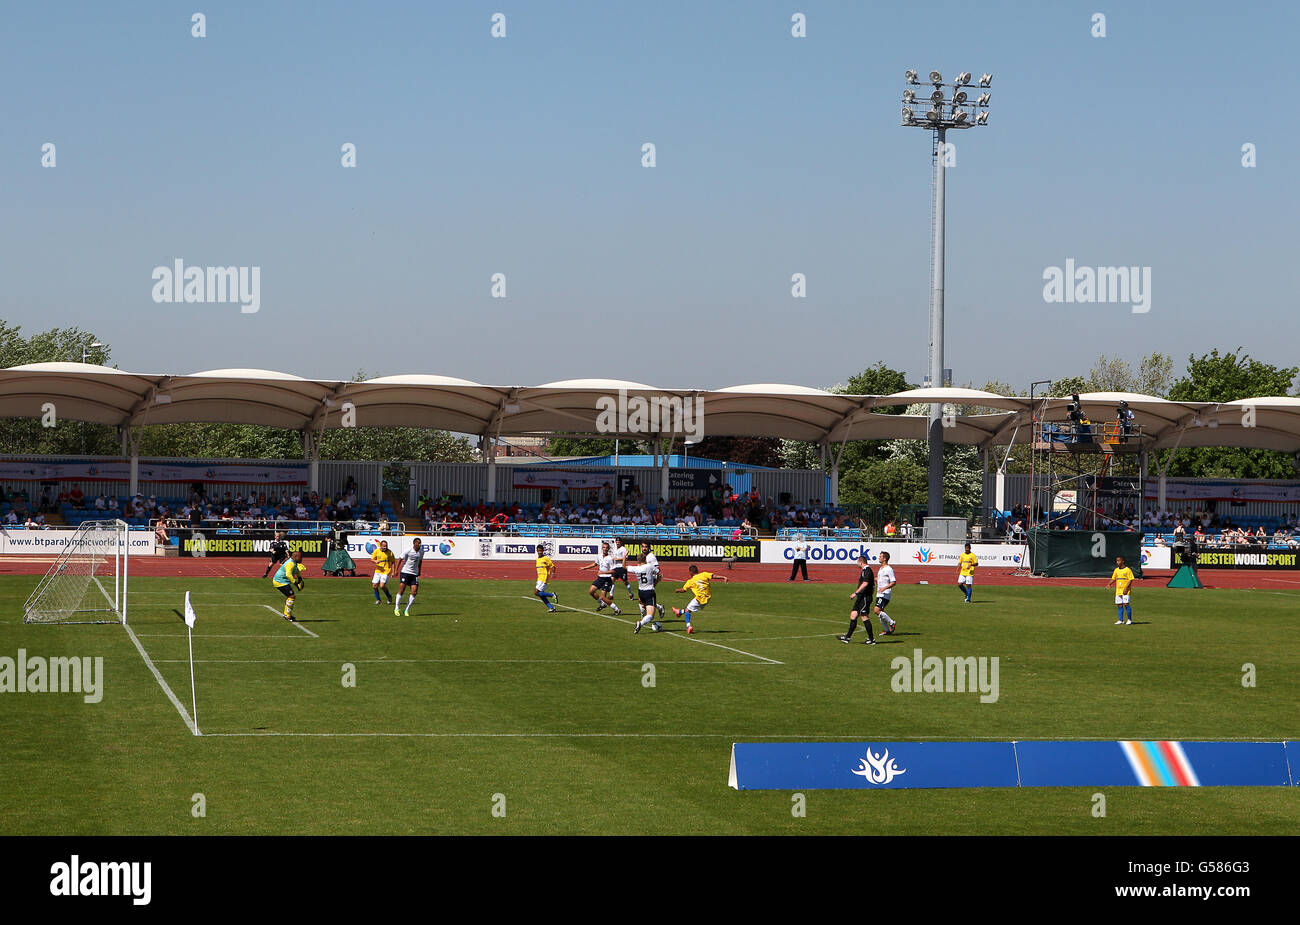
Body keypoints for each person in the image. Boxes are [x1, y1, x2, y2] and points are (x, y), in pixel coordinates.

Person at [672, 564, 728, 634]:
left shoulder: (690, 581)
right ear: (697, 571)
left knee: (687, 611)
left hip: (699, 599)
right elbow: (714, 576)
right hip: (707, 599)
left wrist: (677, 590)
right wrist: (723, 577)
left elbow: (684, 590)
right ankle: (679, 612)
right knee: (688, 609)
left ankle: (688, 626)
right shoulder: (704, 574)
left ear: (690, 572)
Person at [838, 553, 877, 645]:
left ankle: (871, 639)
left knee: (864, 617)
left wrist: (856, 593)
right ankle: (847, 637)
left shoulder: (867, 570)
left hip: (864, 597)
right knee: (853, 615)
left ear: (861, 562)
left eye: (857, 562)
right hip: (861, 597)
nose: (857, 564)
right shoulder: (865, 570)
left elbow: (866, 583)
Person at [628, 542, 664, 634]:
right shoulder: (644, 559)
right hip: (645, 586)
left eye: (646, 547)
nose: (644, 548)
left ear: (649, 548)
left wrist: (653, 579)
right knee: (642, 603)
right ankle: (658, 608)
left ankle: (644, 619)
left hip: (649, 582)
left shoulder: (651, 557)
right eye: (643, 547)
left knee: (645, 603)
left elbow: (657, 570)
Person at [579, 542, 622, 615]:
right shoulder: (599, 556)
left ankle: (617, 609)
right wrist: (585, 568)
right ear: (602, 548)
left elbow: (613, 570)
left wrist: (603, 573)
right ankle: (602, 604)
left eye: (606, 548)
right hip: (600, 578)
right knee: (591, 591)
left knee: (603, 597)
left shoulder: (610, 558)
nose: (605, 549)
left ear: (608, 549)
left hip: (607, 579)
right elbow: (594, 564)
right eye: (604, 547)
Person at [271, 549, 306, 622]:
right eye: (300, 557)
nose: (301, 559)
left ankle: (286, 614)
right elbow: (288, 574)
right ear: (295, 557)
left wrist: (300, 578)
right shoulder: (291, 563)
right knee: (291, 596)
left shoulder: (294, 563)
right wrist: (296, 584)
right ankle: (287, 615)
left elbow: (296, 571)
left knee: (290, 596)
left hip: (282, 581)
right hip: (280, 581)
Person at [393, 537, 425, 616]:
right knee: (401, 590)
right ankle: (397, 608)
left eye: (420, 543)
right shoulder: (408, 550)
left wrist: (419, 571)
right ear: (414, 543)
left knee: (414, 592)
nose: (420, 544)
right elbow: (400, 559)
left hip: (414, 574)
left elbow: (420, 561)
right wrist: (396, 570)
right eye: (418, 543)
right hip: (405, 572)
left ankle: (406, 610)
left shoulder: (421, 552)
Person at [1106, 555, 1137, 626]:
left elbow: (1130, 580)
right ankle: (1121, 620)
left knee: (1126, 604)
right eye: (1117, 561)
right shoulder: (1116, 570)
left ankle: (1129, 619)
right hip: (1118, 590)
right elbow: (1114, 578)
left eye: (1119, 560)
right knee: (1119, 605)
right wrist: (1109, 584)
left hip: (1125, 591)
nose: (1117, 562)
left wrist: (1126, 588)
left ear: (1122, 561)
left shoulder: (1127, 570)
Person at [874, 551, 898, 635]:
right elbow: (881, 579)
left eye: (880, 556)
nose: (879, 558)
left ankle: (892, 622)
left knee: (876, 610)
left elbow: (893, 582)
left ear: (884, 559)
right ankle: (887, 630)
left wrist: (884, 588)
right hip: (879, 593)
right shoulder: (881, 569)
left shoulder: (889, 569)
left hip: (885, 594)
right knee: (881, 613)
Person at [370, 539, 396, 606]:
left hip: (386, 571)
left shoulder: (390, 552)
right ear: (380, 546)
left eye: (386, 546)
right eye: (384, 546)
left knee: (382, 586)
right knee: (374, 586)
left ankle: (389, 597)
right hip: (378, 570)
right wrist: (375, 561)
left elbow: (393, 562)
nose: (385, 547)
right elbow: (372, 559)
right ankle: (379, 600)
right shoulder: (376, 551)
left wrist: (393, 571)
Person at [534, 544, 558, 612]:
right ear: (537, 551)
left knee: (536, 593)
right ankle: (551, 608)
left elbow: (553, 566)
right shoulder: (537, 559)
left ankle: (552, 595)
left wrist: (553, 573)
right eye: (538, 551)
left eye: (541, 550)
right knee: (541, 595)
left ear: (543, 551)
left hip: (544, 578)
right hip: (539, 578)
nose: (540, 552)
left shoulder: (546, 558)